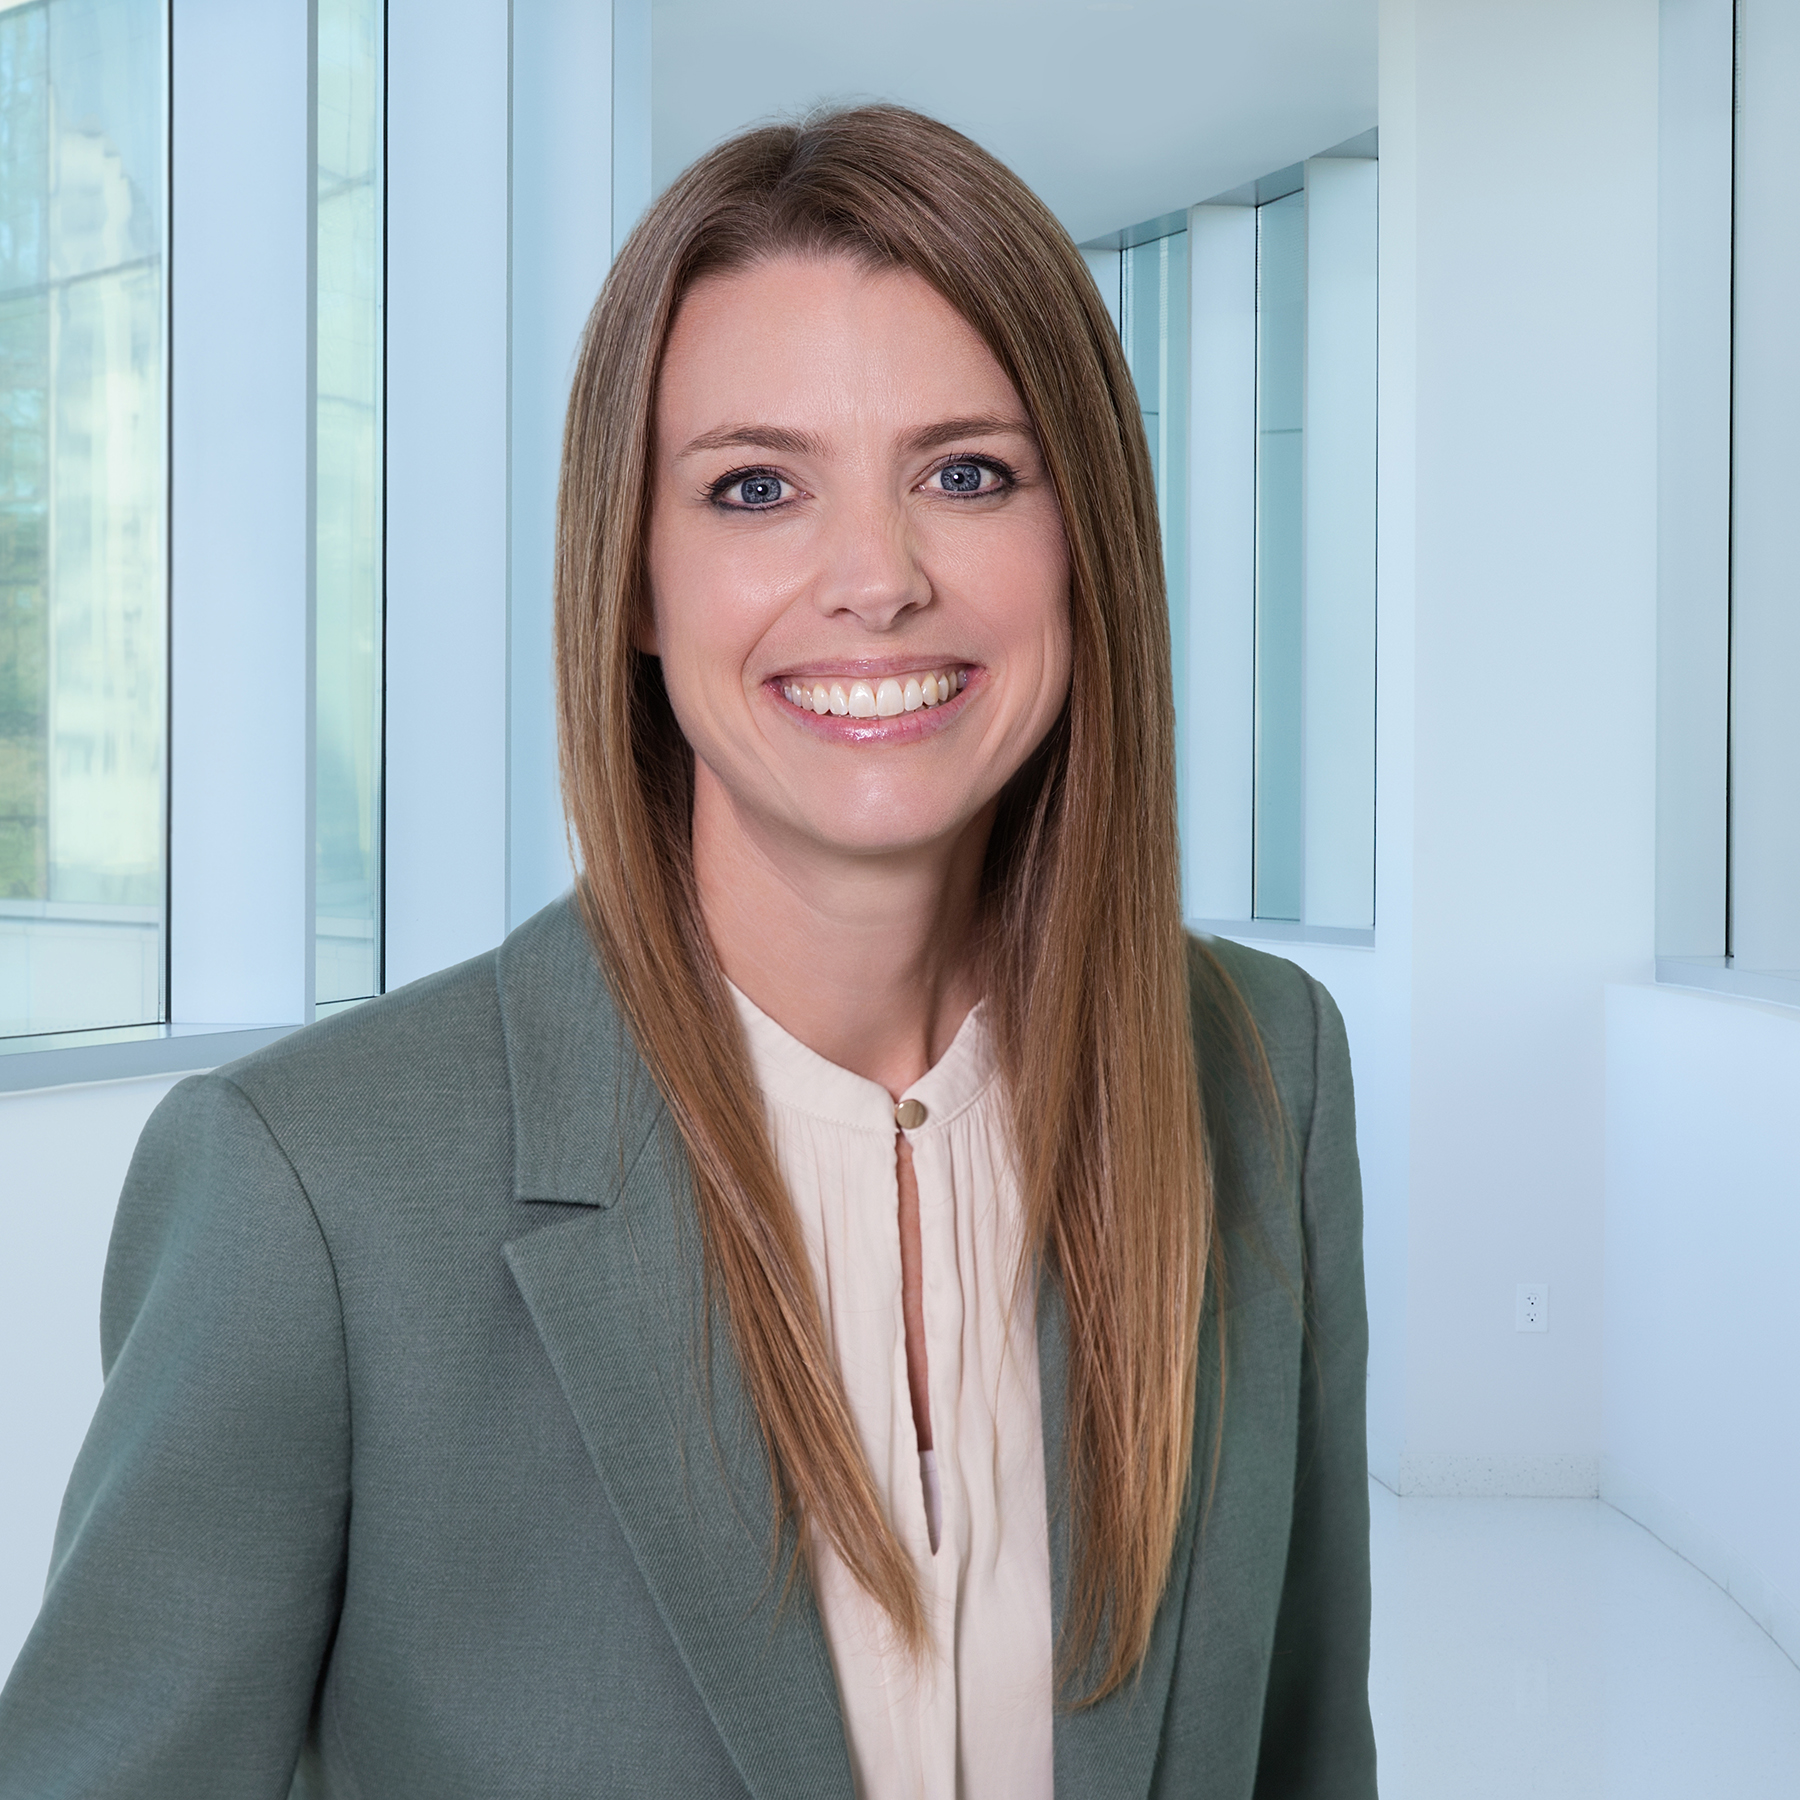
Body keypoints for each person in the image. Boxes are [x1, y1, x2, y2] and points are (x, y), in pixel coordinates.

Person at [0, 105, 1375, 1798]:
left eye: (968, 473)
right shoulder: (315, 1191)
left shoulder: (1263, 1070)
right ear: (636, 581)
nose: (875, 577)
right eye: (755, 487)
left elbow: (1308, 1753)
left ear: (1084, 539)